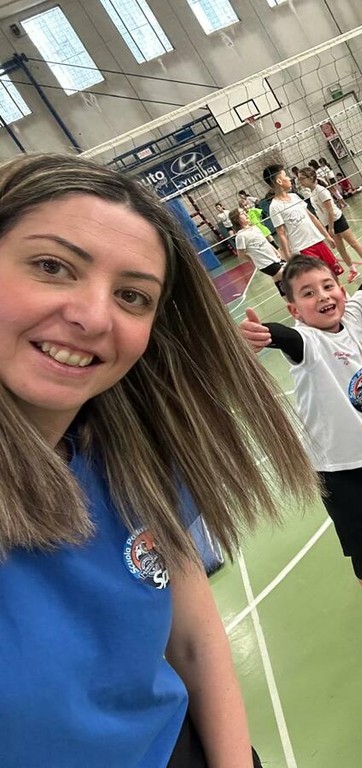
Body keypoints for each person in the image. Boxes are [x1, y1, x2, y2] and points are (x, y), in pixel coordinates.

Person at [0, 153, 318, 766]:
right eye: (52, 266)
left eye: (132, 296)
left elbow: (193, 640)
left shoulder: (131, 458)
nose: (94, 316)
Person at [239, 257, 362, 675]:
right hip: (336, 468)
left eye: (327, 285)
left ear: (340, 288)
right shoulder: (307, 342)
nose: (323, 296)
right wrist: (265, 334)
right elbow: (284, 337)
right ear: (295, 310)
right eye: (308, 294)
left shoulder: (352, 316)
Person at [296, 166, 362, 282]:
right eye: (299, 179)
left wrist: (331, 228)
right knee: (341, 249)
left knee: (353, 242)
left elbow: (330, 211)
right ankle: (353, 270)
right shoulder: (312, 192)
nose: (300, 181)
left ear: (311, 178)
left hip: (337, 220)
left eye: (302, 178)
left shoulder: (321, 191)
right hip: (328, 223)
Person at [262, 164, 342, 276]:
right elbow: (281, 233)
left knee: (333, 273)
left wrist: (327, 236)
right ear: (279, 181)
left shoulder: (295, 197)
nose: (289, 178)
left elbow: (312, 217)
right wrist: (288, 256)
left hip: (318, 240)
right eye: (285, 176)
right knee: (318, 277)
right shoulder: (275, 206)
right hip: (303, 248)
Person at [230, 206, 287, 296]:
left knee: (280, 283)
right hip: (265, 264)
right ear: (236, 219)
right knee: (288, 276)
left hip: (273, 258)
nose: (246, 214)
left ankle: (288, 300)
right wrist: (252, 259)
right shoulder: (240, 236)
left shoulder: (254, 227)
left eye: (245, 212)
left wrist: (275, 251)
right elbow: (241, 255)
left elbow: (265, 241)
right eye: (242, 213)